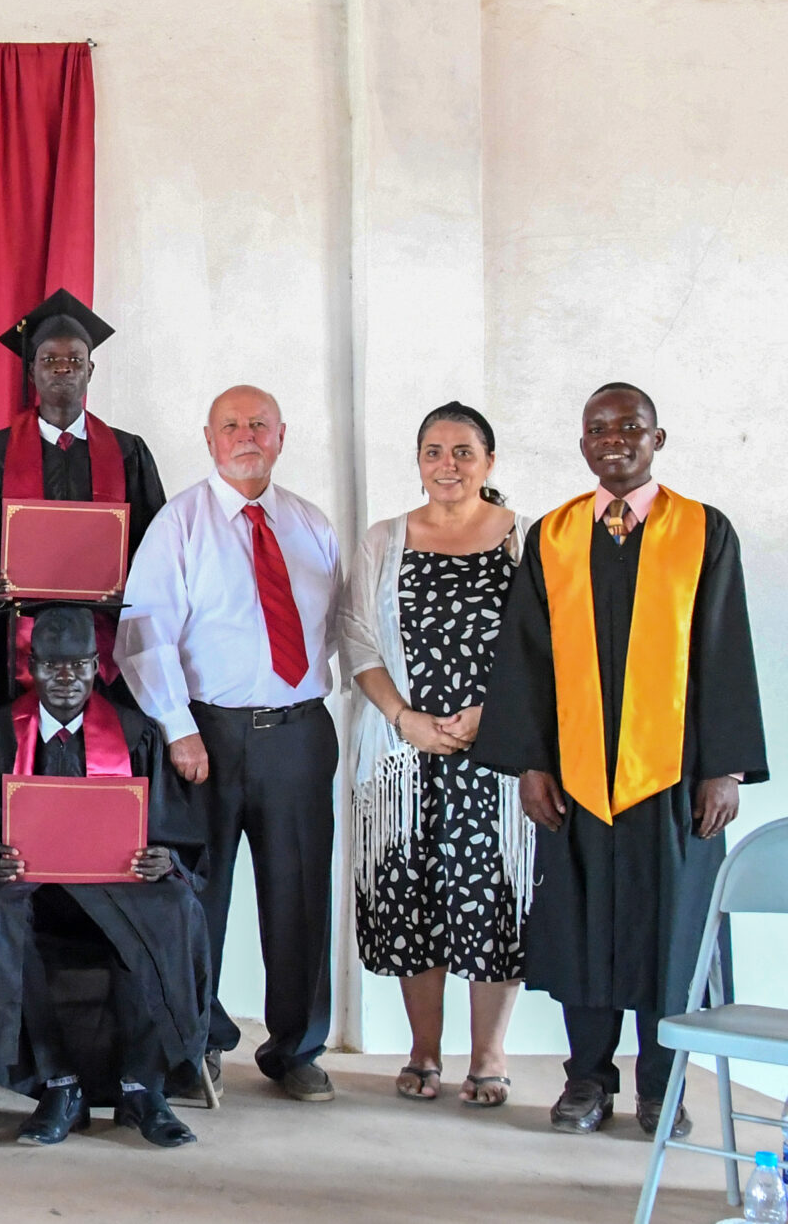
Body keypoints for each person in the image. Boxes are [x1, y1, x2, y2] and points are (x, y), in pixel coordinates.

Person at [471, 383, 767, 1138]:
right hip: (576, 780)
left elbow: (726, 648)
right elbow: (526, 658)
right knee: (580, 927)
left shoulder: (704, 531)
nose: (614, 439)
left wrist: (725, 768)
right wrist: (531, 761)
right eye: (599, 429)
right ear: (583, 444)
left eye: (630, 427)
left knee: (672, 931)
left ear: (657, 439)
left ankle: (664, 1085)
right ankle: (586, 1080)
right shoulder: (556, 535)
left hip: (674, 775)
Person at [117, 385, 340, 1102]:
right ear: (209, 437)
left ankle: (296, 1048)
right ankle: (198, 1041)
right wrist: (178, 726)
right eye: (232, 426)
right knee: (198, 895)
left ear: (283, 435)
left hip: (298, 734)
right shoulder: (179, 523)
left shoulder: (310, 524)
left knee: (300, 895)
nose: (247, 436)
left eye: (260, 425)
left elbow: (331, 626)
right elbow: (144, 631)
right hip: (206, 736)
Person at [338, 402, 532, 1108]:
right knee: (411, 894)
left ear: (489, 460)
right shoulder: (385, 538)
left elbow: (544, 646)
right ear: (418, 460)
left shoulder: (526, 539)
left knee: (491, 897)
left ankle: (488, 1054)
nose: (447, 464)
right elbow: (357, 636)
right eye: (433, 450)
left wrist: (492, 714)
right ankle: (424, 1048)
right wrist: (405, 717)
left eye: (463, 450)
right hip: (402, 755)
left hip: (497, 753)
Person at [0, 607, 209, 1149]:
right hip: (39, 890)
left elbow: (170, 829)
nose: (65, 678)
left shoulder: (135, 733)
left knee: (173, 907)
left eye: (78, 666)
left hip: (115, 887)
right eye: (52, 666)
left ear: (97, 667)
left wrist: (164, 858)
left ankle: (142, 1086)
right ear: (30, 666)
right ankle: (59, 1083)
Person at [0, 291, 166, 713]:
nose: (63, 369)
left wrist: (132, 584)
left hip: (106, 643)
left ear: (90, 370)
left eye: (74, 360)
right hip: (21, 640)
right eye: (50, 360)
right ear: (31, 370)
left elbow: (155, 545)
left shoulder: (128, 452)